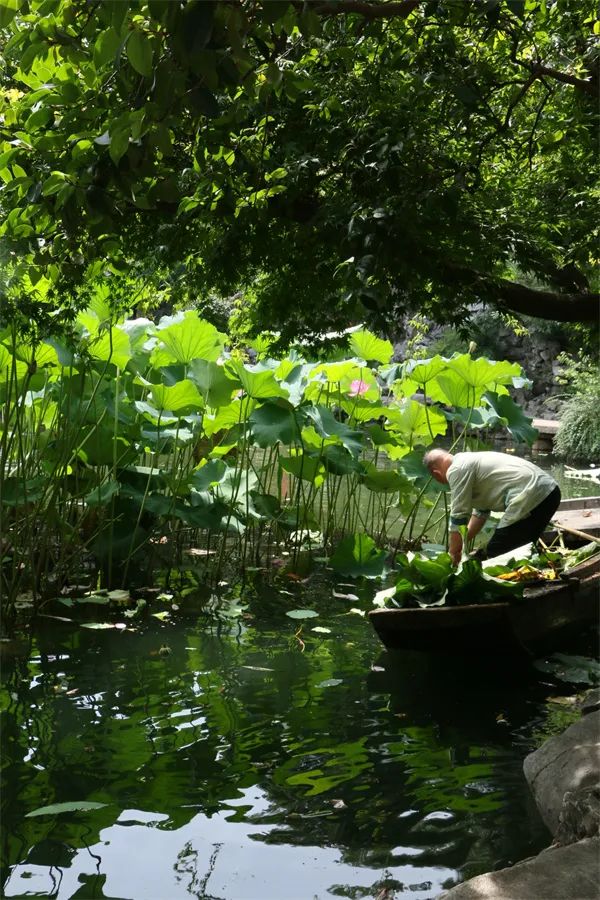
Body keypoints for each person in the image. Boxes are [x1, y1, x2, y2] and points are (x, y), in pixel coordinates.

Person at [423, 449, 561, 564]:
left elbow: (459, 515)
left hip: (532, 495)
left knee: (496, 551)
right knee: (523, 548)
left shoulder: (457, 469)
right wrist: (461, 546)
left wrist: (452, 553)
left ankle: (508, 593)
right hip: (551, 492)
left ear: (436, 474)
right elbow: (480, 514)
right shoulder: (468, 460)